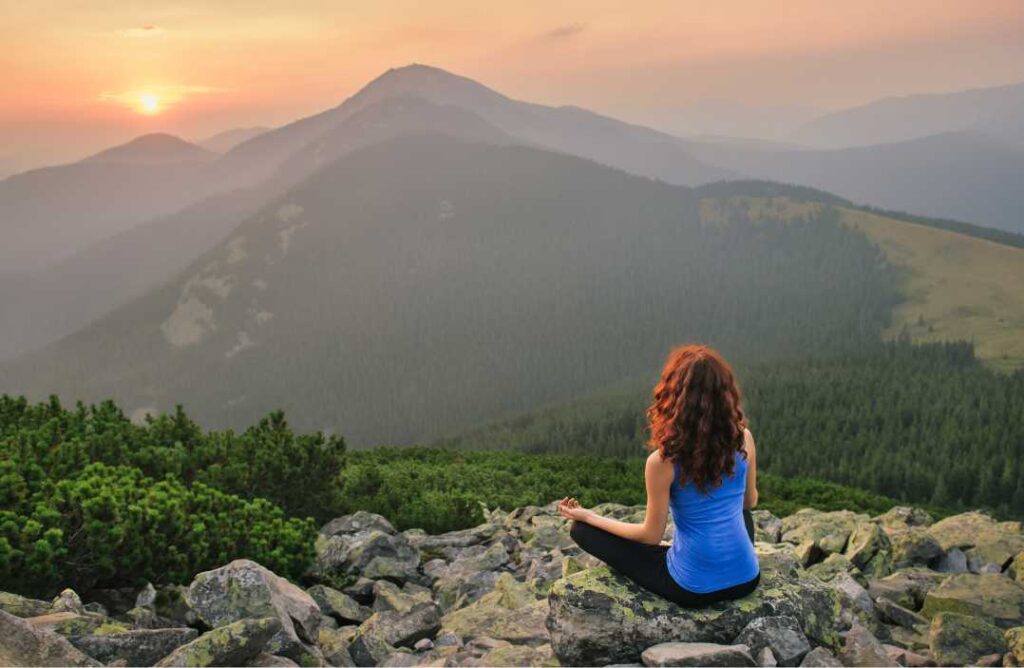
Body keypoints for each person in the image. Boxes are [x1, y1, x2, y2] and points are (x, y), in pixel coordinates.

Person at [558, 344, 760, 607]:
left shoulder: (662, 462)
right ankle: (721, 559)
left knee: (582, 530)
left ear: (673, 397)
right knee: (735, 512)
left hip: (692, 589)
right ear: (725, 394)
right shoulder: (743, 438)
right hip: (746, 579)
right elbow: (749, 503)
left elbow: (650, 536)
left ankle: (691, 558)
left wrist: (589, 516)